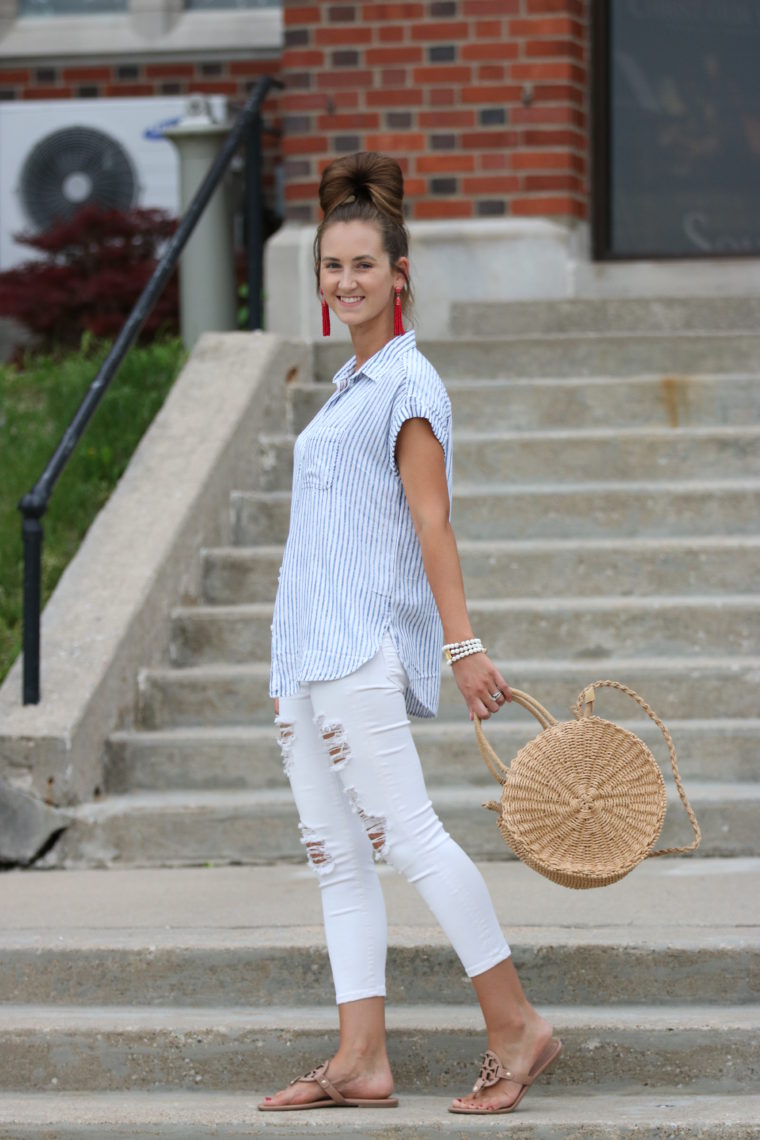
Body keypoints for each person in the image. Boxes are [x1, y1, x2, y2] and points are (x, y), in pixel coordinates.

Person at [258, 151, 561, 1115]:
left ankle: (517, 1026)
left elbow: (433, 521)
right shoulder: (348, 386)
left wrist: (462, 644)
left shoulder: (407, 382)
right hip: (303, 655)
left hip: (360, 647)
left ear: (399, 277)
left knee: (410, 836)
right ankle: (361, 1058)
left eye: (363, 266)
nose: (346, 282)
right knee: (336, 856)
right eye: (331, 267)